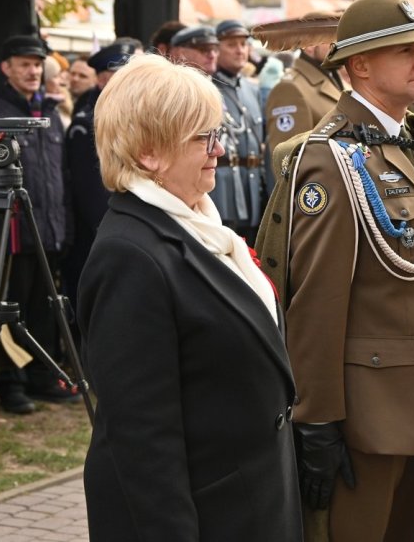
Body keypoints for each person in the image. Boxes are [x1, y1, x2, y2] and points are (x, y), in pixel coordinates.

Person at [254, 0, 414, 542]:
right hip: (368, 421)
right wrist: (315, 419)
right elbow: (316, 301)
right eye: (406, 50)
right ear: (360, 65)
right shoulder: (332, 161)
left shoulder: (403, 144)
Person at [78, 54, 301, 542]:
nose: (218, 151)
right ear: (148, 153)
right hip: (207, 515)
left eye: (217, 135)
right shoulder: (129, 255)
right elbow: (142, 441)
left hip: (249, 502)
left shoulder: (200, 225)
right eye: (203, 138)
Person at [0, 35, 75, 414]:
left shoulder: (51, 114)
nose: (33, 71)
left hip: (49, 231)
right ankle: (12, 385)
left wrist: (64, 224)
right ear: (6, 68)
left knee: (43, 308)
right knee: (13, 310)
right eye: (24, 64)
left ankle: (42, 377)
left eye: (37, 65)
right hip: (16, 234)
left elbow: (62, 175)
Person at [63, 41, 138, 333]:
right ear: (101, 79)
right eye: (119, 74)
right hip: (97, 231)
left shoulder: (128, 117)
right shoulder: (87, 123)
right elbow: (90, 192)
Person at [213, 20, 266, 242]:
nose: (240, 50)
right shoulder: (210, 88)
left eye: (244, 44)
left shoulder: (252, 89)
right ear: (216, 49)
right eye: (231, 44)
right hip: (223, 196)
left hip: (252, 191)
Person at [264, 14, 344, 161]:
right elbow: (288, 162)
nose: (339, 44)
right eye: (332, 39)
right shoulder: (290, 89)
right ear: (309, 45)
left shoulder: (337, 79)